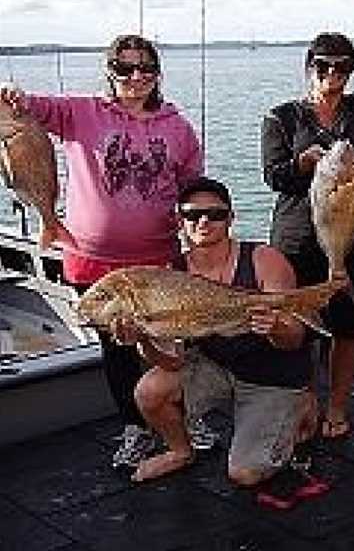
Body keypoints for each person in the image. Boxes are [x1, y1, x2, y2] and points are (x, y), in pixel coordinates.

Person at [0, 34, 203, 468]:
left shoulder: (179, 128)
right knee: (116, 349)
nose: (136, 77)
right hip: (92, 261)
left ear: (158, 73)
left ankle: (182, 418)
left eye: (146, 68)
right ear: (109, 71)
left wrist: (202, 243)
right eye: (125, 68)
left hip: (158, 260)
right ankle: (134, 427)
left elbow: (192, 192)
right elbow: (28, 111)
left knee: (167, 344)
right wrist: (13, 96)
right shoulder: (80, 112)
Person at [131, 176, 318, 485]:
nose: (204, 221)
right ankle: (180, 451)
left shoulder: (264, 260)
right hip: (218, 366)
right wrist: (142, 339)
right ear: (180, 221)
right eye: (192, 215)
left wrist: (275, 328)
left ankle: (300, 404)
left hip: (273, 376)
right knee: (150, 391)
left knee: (245, 474)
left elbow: (296, 337)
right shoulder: (171, 275)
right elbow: (173, 360)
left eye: (216, 214)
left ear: (231, 218)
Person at [262, 33, 354, 441]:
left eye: (343, 67)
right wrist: (302, 163)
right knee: (298, 325)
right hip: (298, 237)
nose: (333, 74)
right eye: (323, 66)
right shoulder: (282, 117)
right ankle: (304, 400)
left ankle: (338, 405)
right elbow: (273, 175)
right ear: (308, 66)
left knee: (348, 325)